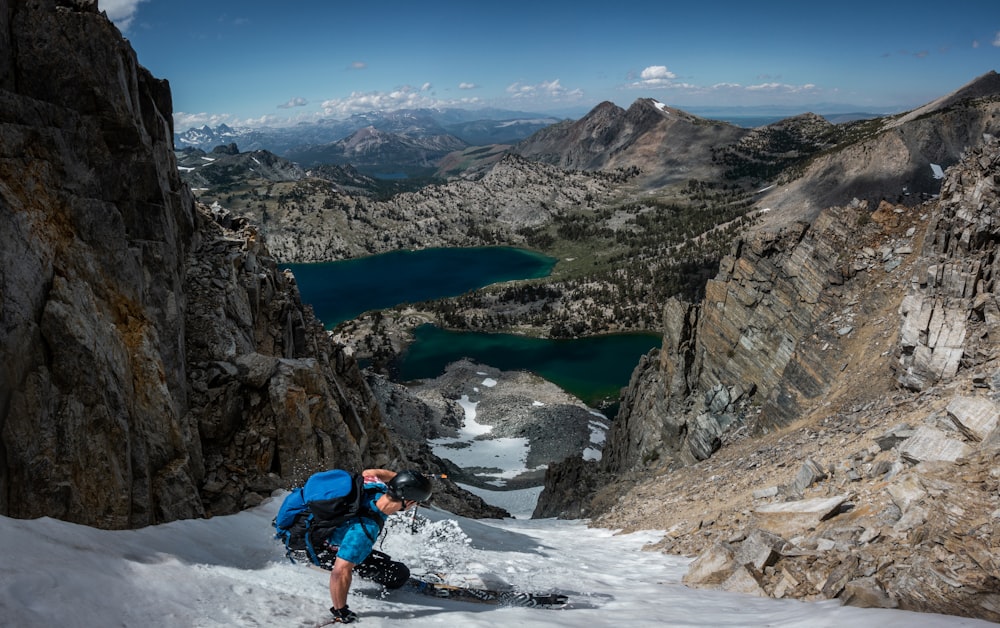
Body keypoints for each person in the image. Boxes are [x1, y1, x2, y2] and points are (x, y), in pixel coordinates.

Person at [323, 468, 432, 624]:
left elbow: (369, 472)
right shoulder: (365, 529)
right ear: (409, 502)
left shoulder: (375, 487)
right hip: (320, 550)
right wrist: (341, 611)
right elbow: (339, 572)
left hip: (312, 531)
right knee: (398, 574)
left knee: (374, 558)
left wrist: (403, 479)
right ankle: (339, 609)